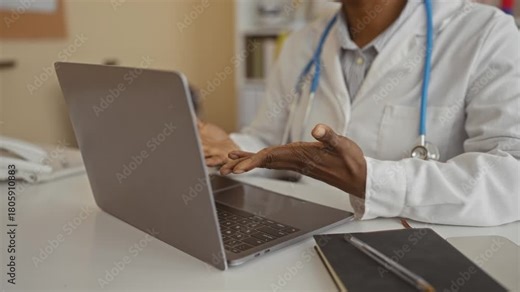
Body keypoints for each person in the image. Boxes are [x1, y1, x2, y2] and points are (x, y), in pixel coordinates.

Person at [198, 0, 520, 226]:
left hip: (422, 254)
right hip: (303, 239)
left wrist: (372, 181)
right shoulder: (303, 43)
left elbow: (511, 177)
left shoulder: (485, 33)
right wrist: (231, 148)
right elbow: (269, 140)